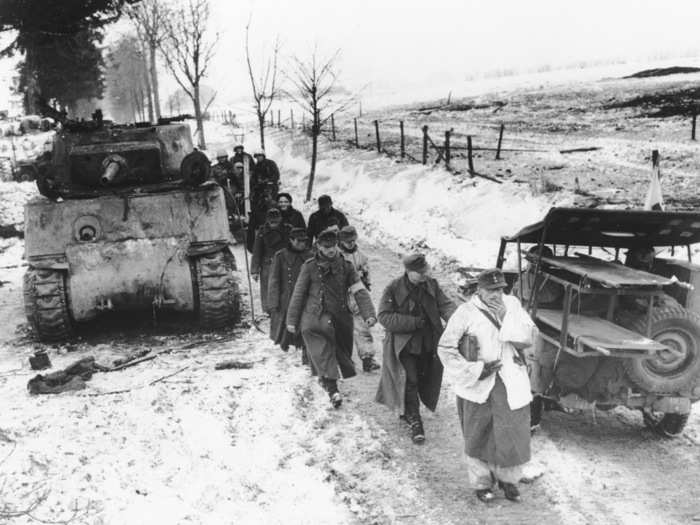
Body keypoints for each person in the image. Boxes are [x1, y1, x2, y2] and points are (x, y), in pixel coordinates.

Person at [437, 268, 536, 503]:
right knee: (478, 434)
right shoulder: (465, 313)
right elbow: (445, 348)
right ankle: (482, 483)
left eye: (500, 289)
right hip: (478, 384)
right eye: (491, 290)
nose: (496, 295)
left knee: (512, 433)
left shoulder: (512, 305)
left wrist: (508, 324)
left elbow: (530, 335)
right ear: (479, 290)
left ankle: (509, 481)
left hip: (510, 381)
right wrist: (475, 370)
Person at [286, 229, 376, 408]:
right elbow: (298, 293)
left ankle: (328, 381)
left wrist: (369, 313)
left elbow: (359, 290)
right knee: (322, 352)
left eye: (333, 245)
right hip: (314, 318)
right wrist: (291, 319)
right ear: (318, 246)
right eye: (326, 247)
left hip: (340, 317)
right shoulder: (309, 267)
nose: (331, 250)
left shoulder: (347, 266)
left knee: (340, 352)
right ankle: (332, 389)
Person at [375, 254, 457, 443]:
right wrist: (412, 322)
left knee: (422, 379)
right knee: (410, 380)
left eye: (424, 271)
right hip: (405, 346)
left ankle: (407, 410)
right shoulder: (393, 288)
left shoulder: (431, 284)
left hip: (428, 343)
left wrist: (457, 319)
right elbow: (384, 317)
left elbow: (445, 305)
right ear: (408, 271)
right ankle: (415, 421)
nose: (423, 275)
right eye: (419, 273)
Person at [267, 228, 314, 364]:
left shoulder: (311, 255)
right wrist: (273, 302)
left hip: (307, 297)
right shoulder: (280, 256)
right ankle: (291, 344)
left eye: (304, 241)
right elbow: (274, 280)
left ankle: (307, 353)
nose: (302, 244)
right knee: (288, 327)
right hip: (287, 298)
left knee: (307, 325)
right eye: (299, 241)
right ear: (291, 240)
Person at [338, 226, 380, 373]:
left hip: (357, 294)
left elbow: (366, 273)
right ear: (341, 241)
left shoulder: (360, 255)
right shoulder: (336, 255)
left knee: (362, 327)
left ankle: (367, 359)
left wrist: (366, 282)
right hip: (339, 295)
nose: (350, 243)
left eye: (352, 240)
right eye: (347, 241)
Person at [251, 208, 290, 313]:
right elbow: (257, 251)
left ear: (280, 219)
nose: (273, 224)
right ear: (267, 220)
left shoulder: (287, 230)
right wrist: (254, 270)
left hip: (284, 262)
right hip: (268, 263)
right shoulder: (262, 231)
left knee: (284, 286)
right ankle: (268, 310)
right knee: (267, 288)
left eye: (276, 221)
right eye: (271, 221)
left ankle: (283, 308)